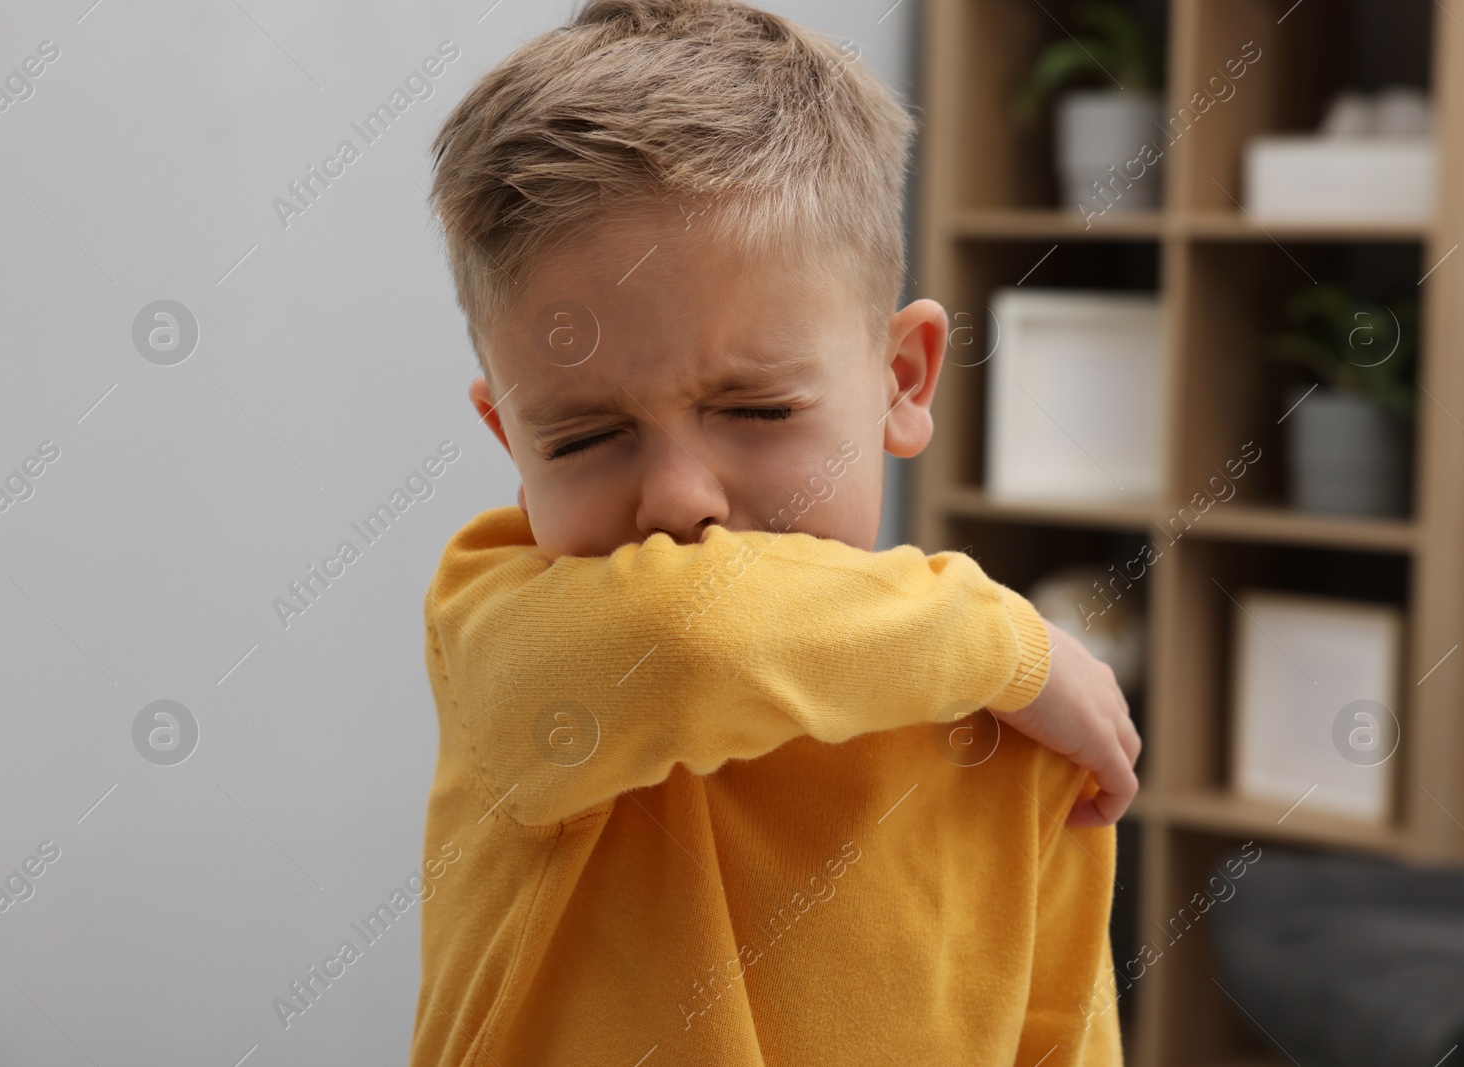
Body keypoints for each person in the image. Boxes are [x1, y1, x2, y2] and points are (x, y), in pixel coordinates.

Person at [409, 2, 1139, 1063]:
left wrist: (1003, 664)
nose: (678, 499)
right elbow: (695, 638)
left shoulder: (1016, 732)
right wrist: (1004, 639)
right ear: (508, 436)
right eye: (585, 436)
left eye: (753, 412)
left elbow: (1060, 1033)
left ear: (900, 378)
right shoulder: (503, 624)